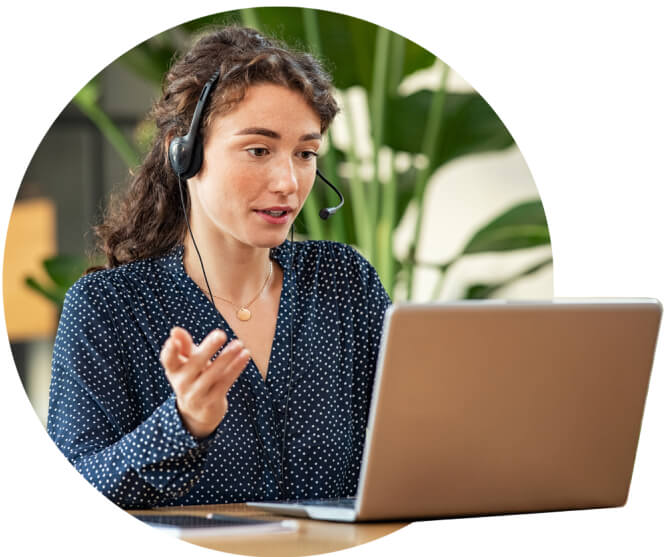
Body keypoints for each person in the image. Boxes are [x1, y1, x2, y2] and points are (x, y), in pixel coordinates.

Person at [47, 26, 391, 510]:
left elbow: (414, 444)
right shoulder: (109, 308)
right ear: (183, 152)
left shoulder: (344, 282)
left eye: (306, 153)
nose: (288, 182)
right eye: (258, 149)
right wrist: (184, 424)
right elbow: (69, 500)